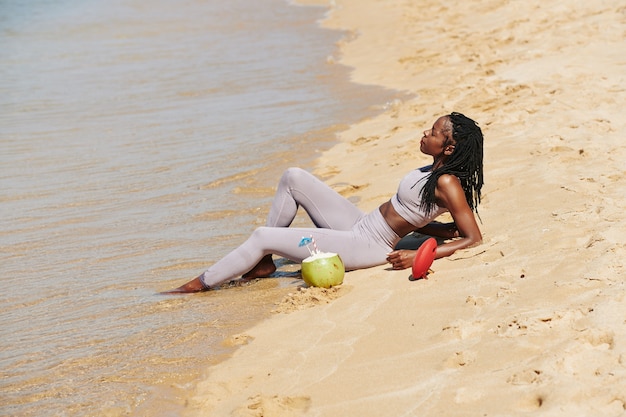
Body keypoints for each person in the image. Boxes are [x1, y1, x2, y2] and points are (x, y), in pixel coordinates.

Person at [164, 112, 483, 293]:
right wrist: (437, 230)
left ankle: (194, 287)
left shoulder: (447, 183)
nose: (425, 132)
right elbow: (414, 212)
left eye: (434, 132)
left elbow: (474, 238)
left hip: (367, 245)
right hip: (361, 223)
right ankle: (262, 264)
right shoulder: (433, 169)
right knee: (293, 177)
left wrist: (419, 253)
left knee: (262, 237)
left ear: (449, 149)